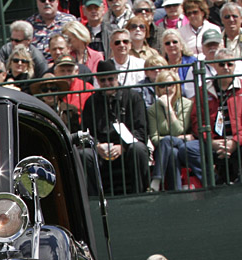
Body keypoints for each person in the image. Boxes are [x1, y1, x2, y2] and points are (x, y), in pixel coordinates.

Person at [81, 59, 150, 194]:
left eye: (110, 79)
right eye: (102, 80)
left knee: (139, 149)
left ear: (117, 77)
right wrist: (96, 145)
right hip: (101, 150)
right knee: (84, 154)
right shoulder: (91, 102)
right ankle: (94, 200)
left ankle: (140, 193)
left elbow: (142, 130)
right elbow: (84, 131)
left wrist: (122, 147)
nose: (107, 83)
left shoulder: (133, 97)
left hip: (127, 147)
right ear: (97, 81)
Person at [181, 48, 242, 183]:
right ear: (214, 66)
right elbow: (197, 121)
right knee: (188, 149)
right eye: (221, 64)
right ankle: (214, 182)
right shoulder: (204, 90)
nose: (226, 68)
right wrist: (211, 141)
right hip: (213, 141)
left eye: (229, 64)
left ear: (234, 66)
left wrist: (235, 142)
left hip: (238, 140)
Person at [148, 71, 193, 190]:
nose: (166, 89)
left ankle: (157, 179)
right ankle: (177, 192)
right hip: (164, 151)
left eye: (170, 85)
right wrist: (169, 140)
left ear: (176, 86)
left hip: (184, 146)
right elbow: (154, 138)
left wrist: (168, 108)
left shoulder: (187, 104)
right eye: (162, 86)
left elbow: (178, 130)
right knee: (172, 152)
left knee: (169, 142)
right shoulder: (152, 110)